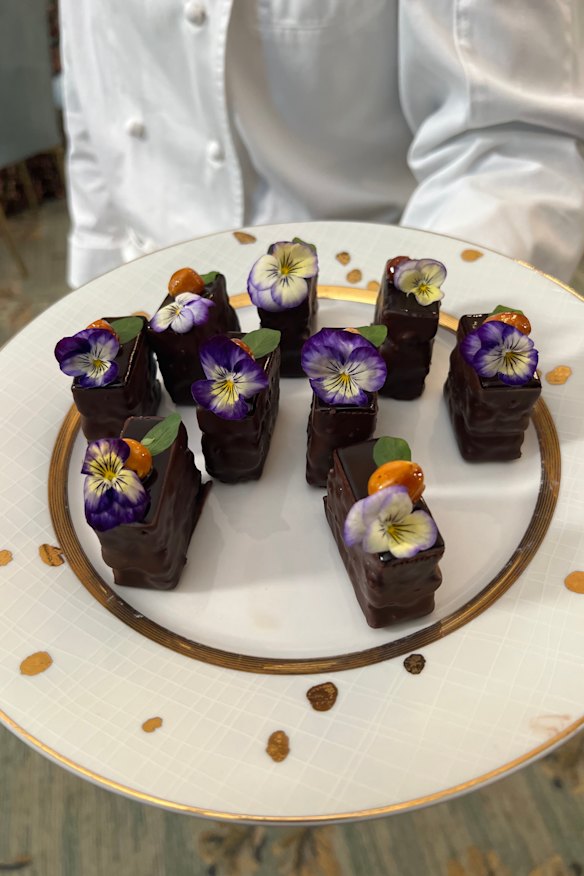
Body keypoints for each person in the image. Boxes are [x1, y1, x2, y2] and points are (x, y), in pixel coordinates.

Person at [59, 0, 584, 288]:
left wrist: (407, 331)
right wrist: (93, 291)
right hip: (152, 291)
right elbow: (95, 98)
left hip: (361, 299)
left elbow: (507, 150)